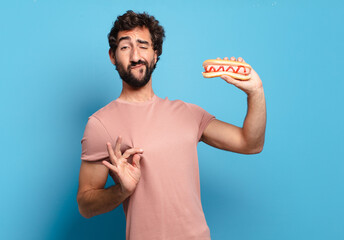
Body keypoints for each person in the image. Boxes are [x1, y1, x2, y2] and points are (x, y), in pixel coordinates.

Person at [77, 10, 266, 240]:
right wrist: (122, 190)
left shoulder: (188, 114)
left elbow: (251, 143)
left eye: (143, 46)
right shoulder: (100, 124)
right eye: (125, 47)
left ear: (156, 55)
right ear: (112, 56)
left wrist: (255, 92)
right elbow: (85, 205)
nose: (135, 56)